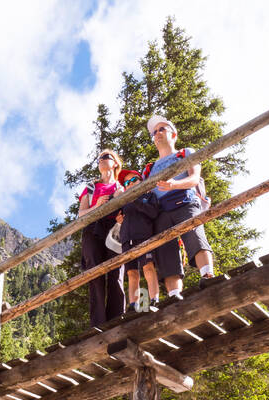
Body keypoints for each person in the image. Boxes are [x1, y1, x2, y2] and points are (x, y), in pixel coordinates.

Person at [144, 114, 214, 301]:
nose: (157, 133)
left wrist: (174, 184)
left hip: (185, 200)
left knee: (194, 235)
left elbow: (193, 178)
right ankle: (174, 295)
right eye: (154, 132)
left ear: (173, 134)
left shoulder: (185, 153)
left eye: (162, 129)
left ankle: (208, 275)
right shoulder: (149, 169)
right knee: (166, 251)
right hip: (161, 211)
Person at [77, 149, 126, 328]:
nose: (102, 160)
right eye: (99, 158)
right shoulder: (91, 188)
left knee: (116, 272)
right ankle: (97, 325)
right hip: (93, 229)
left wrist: (123, 217)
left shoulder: (121, 187)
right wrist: (96, 206)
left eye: (106, 157)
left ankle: (117, 320)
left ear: (115, 164)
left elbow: (128, 210)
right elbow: (80, 215)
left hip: (114, 229)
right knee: (94, 273)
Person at [116, 167, 162, 315]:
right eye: (126, 182)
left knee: (148, 267)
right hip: (126, 239)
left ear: (141, 180)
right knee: (131, 273)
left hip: (143, 236)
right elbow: (120, 218)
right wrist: (119, 220)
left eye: (133, 180)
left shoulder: (149, 196)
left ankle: (154, 299)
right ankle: (134, 305)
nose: (129, 183)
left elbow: (153, 213)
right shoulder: (123, 202)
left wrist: (136, 201)